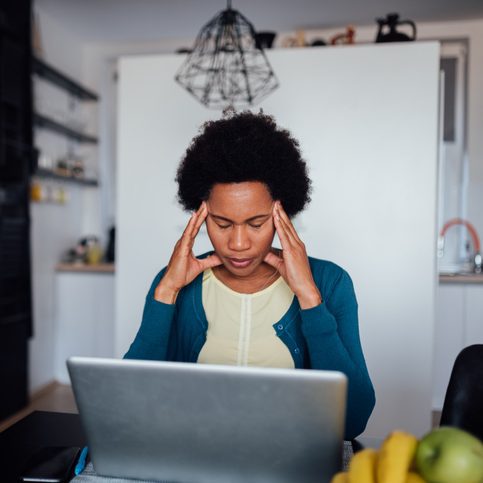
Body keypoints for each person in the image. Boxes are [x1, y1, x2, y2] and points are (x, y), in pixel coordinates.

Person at [125, 110, 375, 440]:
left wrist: (310, 299)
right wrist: (167, 291)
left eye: (256, 224)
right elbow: (129, 407)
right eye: (222, 224)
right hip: (197, 455)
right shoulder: (175, 281)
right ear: (201, 217)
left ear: (281, 214)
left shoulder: (330, 283)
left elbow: (353, 420)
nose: (238, 244)